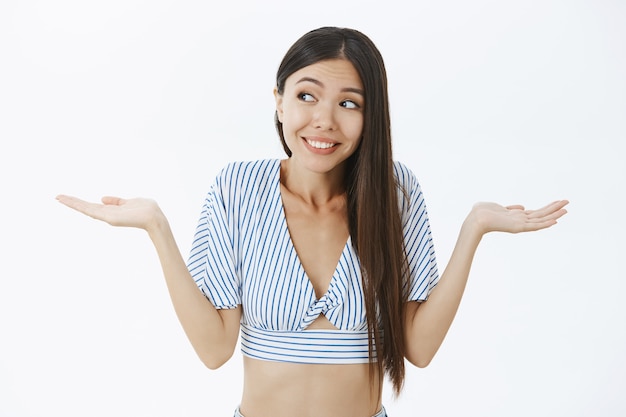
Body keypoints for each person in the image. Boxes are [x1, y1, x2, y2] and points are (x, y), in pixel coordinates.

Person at [56, 26, 568, 417]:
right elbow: (215, 350)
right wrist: (156, 229)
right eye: (306, 95)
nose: (324, 119)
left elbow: (419, 348)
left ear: (372, 118)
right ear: (278, 102)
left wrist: (474, 228)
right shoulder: (238, 189)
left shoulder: (396, 191)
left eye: (349, 104)